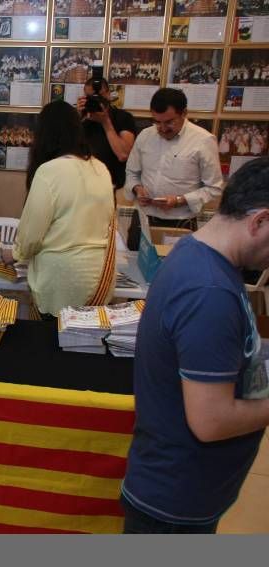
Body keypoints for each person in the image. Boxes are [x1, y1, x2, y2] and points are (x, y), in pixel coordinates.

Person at [121, 157, 269, 533]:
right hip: (176, 502)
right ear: (260, 222)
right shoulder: (209, 292)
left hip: (178, 490)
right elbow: (211, 421)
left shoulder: (196, 252)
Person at [1, 101, 116, 318]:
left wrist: (14, 253)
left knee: (51, 345)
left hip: (61, 280)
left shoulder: (49, 171)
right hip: (100, 277)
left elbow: (32, 235)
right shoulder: (100, 167)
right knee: (83, 345)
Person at [125, 88, 223, 249]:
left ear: (184, 113)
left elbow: (214, 188)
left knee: (176, 270)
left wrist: (179, 201)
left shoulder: (203, 140)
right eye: (157, 121)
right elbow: (132, 172)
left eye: (169, 122)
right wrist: (137, 189)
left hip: (180, 222)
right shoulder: (145, 136)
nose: (162, 128)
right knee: (135, 265)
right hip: (143, 218)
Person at [76, 77, 136, 191]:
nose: (95, 101)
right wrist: (77, 117)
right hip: (84, 186)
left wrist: (106, 122)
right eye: (90, 97)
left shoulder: (123, 118)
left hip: (114, 186)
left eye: (98, 97)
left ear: (108, 94)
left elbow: (123, 155)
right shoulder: (81, 120)